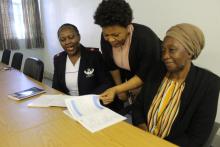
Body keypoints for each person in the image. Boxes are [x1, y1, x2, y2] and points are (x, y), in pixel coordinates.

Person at [132, 23, 220, 147]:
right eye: (163, 50)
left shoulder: (208, 84)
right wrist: (142, 129)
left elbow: (196, 137)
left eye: (172, 50)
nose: (164, 56)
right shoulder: (157, 71)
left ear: (190, 52)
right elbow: (138, 106)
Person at [93, 0, 161, 107]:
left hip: (154, 81)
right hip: (132, 81)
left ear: (128, 27)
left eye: (116, 35)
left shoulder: (145, 38)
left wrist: (117, 89)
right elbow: (112, 66)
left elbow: (144, 74)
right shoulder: (105, 38)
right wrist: (120, 89)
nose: (110, 39)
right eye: (106, 35)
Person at [52, 23, 112, 96]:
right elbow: (56, 87)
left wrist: (87, 99)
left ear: (79, 37)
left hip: (90, 101)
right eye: (62, 39)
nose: (67, 42)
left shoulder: (94, 56)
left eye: (71, 37)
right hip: (68, 102)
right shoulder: (58, 59)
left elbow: (106, 83)